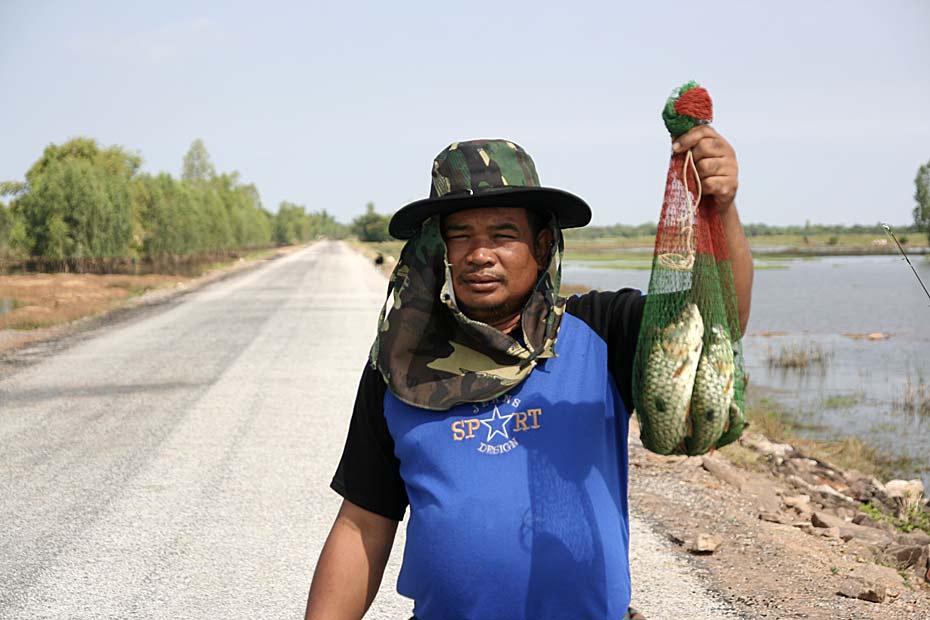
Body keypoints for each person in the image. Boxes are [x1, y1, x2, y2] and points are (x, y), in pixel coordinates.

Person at [305, 133, 752, 620]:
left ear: (542, 245)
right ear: (438, 252)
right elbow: (363, 524)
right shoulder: (401, 367)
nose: (480, 254)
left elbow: (717, 324)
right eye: (460, 236)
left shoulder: (600, 331)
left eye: (503, 235)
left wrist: (720, 209)